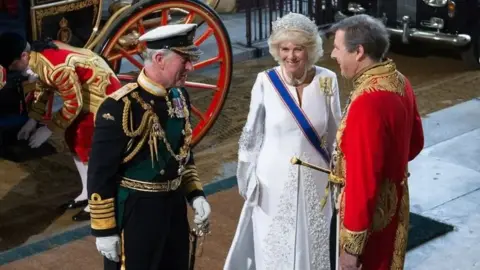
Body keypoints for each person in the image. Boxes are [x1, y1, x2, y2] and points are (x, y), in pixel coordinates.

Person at [86, 23, 212, 270]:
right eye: (184, 60)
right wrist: (104, 230)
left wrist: (195, 195)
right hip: (136, 213)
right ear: (158, 58)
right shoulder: (120, 106)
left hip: (173, 209)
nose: (191, 67)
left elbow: (182, 154)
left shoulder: (178, 97)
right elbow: (100, 173)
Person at [224, 12, 342, 270]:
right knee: (274, 243)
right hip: (271, 181)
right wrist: (247, 175)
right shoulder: (266, 81)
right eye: (284, 48)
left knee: (314, 244)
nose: (291, 55)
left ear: (310, 49)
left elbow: (336, 134)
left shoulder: (327, 80)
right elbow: (251, 134)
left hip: (317, 179)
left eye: (298, 49)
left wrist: (339, 176)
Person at [328, 14, 424, 270]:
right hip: (395, 205)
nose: (333, 55)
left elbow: (362, 178)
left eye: (337, 48)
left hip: (369, 221)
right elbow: (415, 143)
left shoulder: (368, 102)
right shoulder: (400, 80)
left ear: (358, 51)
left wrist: (351, 249)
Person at [0, 32, 123, 221]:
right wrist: (33, 119)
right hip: (86, 93)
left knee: (85, 140)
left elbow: (73, 103)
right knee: (73, 138)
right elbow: (44, 87)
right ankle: (87, 191)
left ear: (23, 57)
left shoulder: (56, 67)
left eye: (13, 65)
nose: (13, 69)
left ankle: (99, 200)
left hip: (102, 96)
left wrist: (49, 128)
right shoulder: (39, 59)